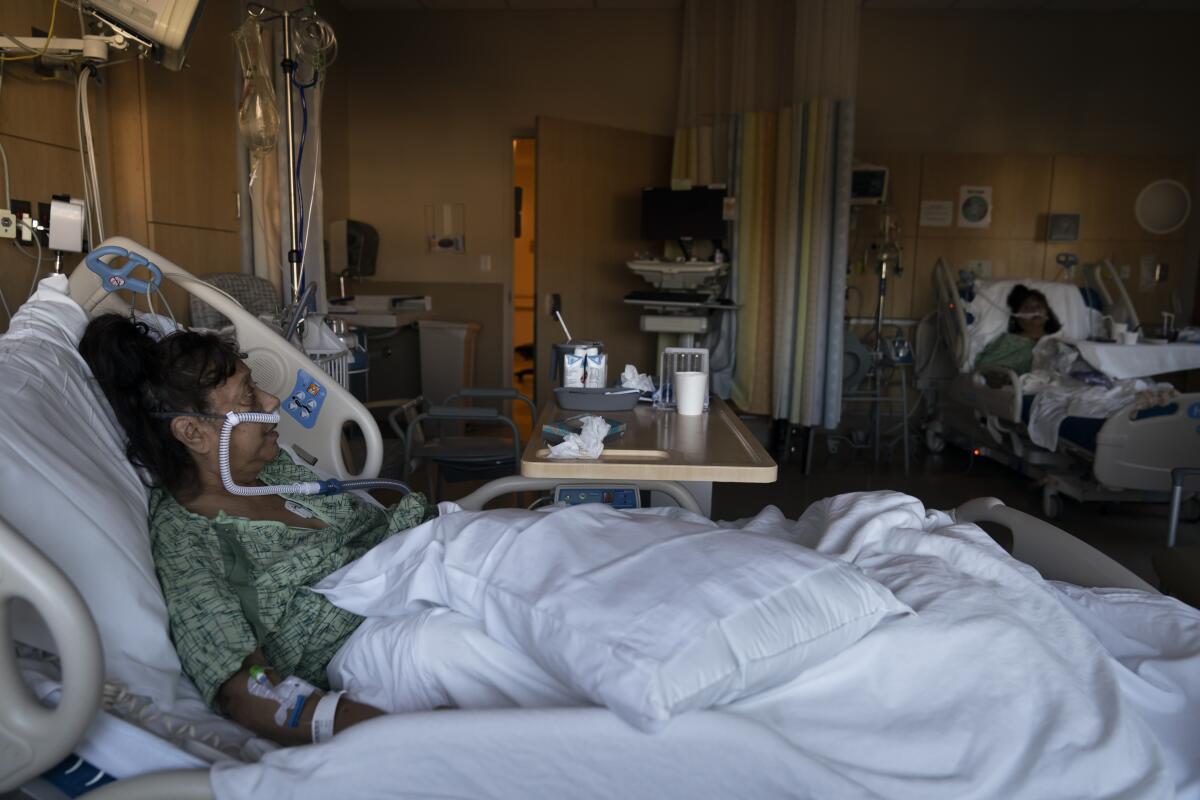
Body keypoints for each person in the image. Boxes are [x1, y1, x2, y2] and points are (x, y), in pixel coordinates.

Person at [79, 314, 438, 745]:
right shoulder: (189, 537)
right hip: (390, 636)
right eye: (248, 395)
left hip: (427, 566)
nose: (271, 402)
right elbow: (245, 689)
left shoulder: (273, 468)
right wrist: (387, 734)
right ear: (192, 432)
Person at [974, 284, 1061, 376]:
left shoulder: (1058, 339)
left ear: (1047, 313)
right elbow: (984, 367)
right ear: (1017, 317)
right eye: (1027, 308)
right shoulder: (1008, 342)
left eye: (1038, 306)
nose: (1034, 310)